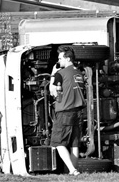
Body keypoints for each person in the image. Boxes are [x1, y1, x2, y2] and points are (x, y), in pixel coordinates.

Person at [49, 46, 85, 176]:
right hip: (79, 112)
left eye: (60, 58)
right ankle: (73, 172)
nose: (59, 61)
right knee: (74, 144)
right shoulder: (78, 73)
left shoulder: (61, 73)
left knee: (58, 142)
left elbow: (53, 92)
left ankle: (72, 170)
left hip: (65, 112)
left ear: (68, 58)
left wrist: (53, 74)